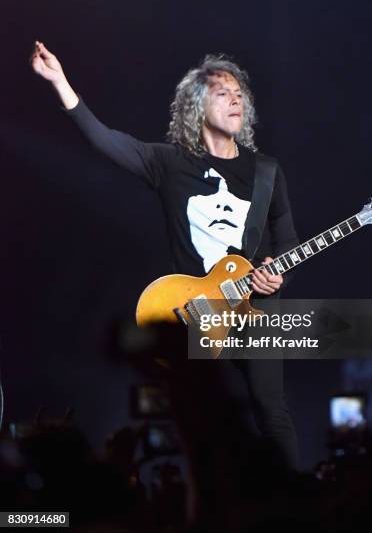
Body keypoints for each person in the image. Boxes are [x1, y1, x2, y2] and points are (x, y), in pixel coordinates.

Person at [30, 41, 300, 505]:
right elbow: (104, 140)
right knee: (203, 420)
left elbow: (288, 240)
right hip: (194, 313)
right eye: (222, 92)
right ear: (198, 107)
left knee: (272, 411)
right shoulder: (170, 163)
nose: (236, 99)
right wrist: (60, 82)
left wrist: (279, 277)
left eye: (240, 94)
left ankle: (300, 505)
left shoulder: (267, 172)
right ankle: (211, 508)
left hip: (255, 308)